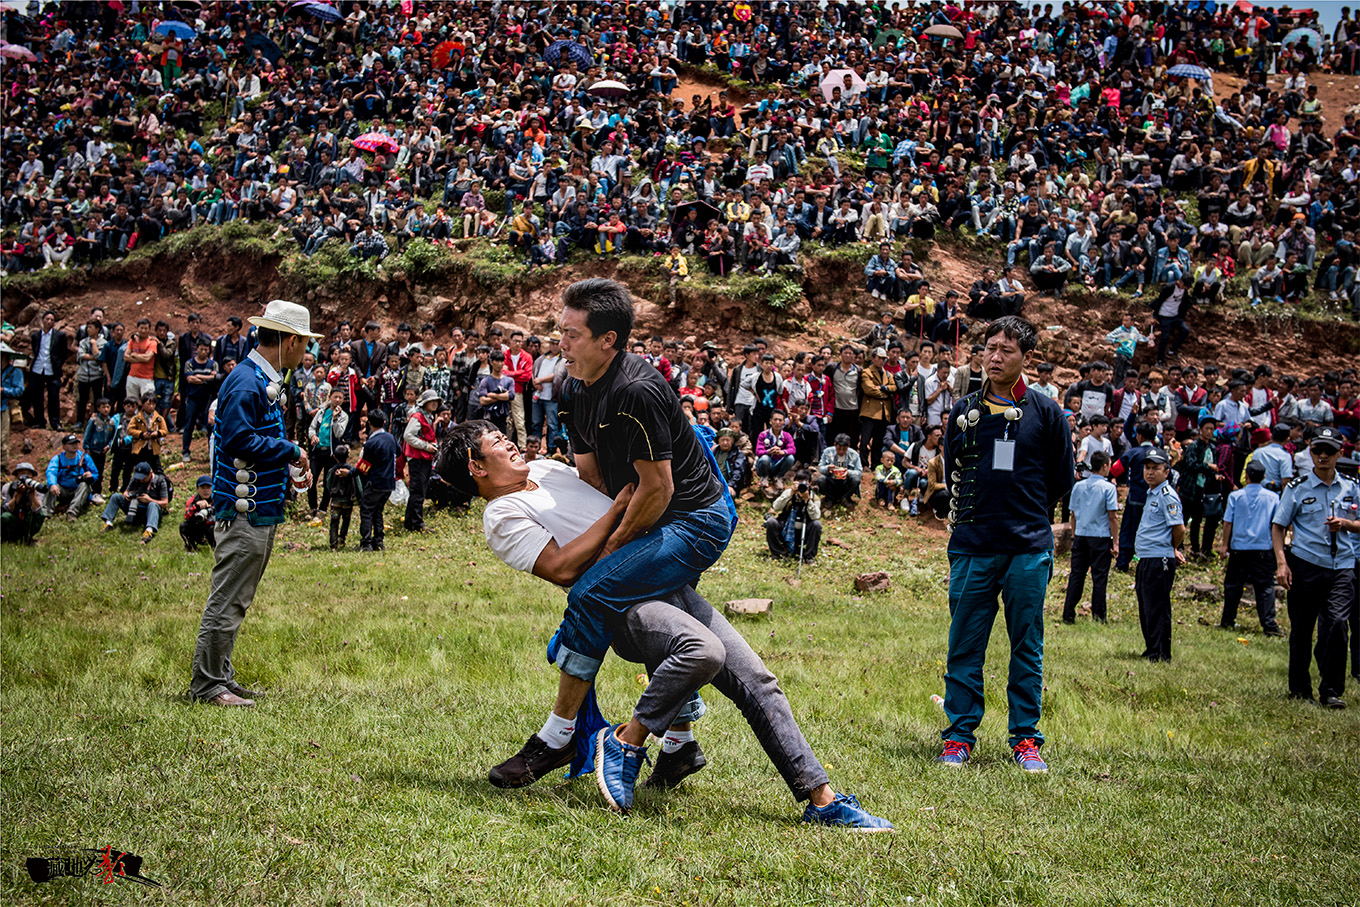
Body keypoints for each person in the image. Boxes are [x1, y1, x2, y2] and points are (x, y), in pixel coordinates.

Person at [438, 420, 889, 830]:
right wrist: (617, 514)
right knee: (702, 651)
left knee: (759, 680)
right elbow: (562, 568)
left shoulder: (546, 469)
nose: (511, 442)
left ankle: (822, 800)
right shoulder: (500, 517)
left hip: (662, 575)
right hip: (622, 604)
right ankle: (625, 741)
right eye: (497, 442)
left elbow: (601, 475)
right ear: (477, 467)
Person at [487, 277, 737, 814]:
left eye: (572, 335)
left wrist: (611, 550)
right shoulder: (572, 386)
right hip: (651, 519)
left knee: (592, 595)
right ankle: (679, 745)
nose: (560, 343)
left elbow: (659, 488)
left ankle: (561, 739)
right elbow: (596, 477)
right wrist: (617, 522)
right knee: (651, 621)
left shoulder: (636, 391)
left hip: (691, 520)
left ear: (610, 341)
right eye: (559, 331)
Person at [938, 316, 1074, 772]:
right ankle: (958, 737)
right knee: (964, 645)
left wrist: (1026, 513)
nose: (995, 357)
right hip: (973, 544)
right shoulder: (962, 412)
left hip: (1028, 548)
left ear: (1026, 358)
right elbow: (955, 465)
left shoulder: (1048, 413)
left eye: (1007, 350)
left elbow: (1060, 478)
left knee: (1027, 645)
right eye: (989, 347)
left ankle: (1026, 739)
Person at [189, 300, 318, 708]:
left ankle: (220, 677)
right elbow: (239, 440)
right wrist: (291, 449)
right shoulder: (246, 382)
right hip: (241, 511)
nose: (305, 353)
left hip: (258, 507)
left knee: (237, 598)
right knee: (227, 599)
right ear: (292, 341)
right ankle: (207, 685)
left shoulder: (257, 377)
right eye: (304, 344)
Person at [1272, 427, 1360, 708]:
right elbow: (1278, 525)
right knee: (1301, 629)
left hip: (1342, 566)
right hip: (1305, 564)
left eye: (1329, 451)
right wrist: (1282, 563)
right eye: (1317, 450)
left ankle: (1331, 689)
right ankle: (1300, 689)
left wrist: (1346, 524)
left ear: (1340, 453)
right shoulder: (1297, 488)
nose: (1323, 455)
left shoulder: (1351, 486)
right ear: (1310, 453)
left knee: (1336, 625)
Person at [1132, 448, 1186, 662]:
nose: (1150, 472)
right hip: (1147, 557)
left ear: (1167, 471)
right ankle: (1151, 647)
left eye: (1155, 468)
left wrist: (1171, 548)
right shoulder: (1152, 493)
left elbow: (1179, 528)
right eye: (1147, 468)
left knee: (1157, 607)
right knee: (1146, 606)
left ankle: (1160, 653)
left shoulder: (1167, 495)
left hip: (1159, 558)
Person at [1217, 460, 1283, 635]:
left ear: (1246, 476)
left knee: (1233, 586)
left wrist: (1224, 545)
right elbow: (1276, 525)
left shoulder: (1236, 496)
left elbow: (1227, 522)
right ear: (1263, 477)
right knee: (1265, 588)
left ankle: (1227, 621)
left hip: (1239, 547)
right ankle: (1269, 625)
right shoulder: (1273, 497)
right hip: (1263, 547)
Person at [1063, 452, 1120, 624]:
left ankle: (1068, 614)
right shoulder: (1108, 488)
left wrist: (1073, 535)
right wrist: (1116, 542)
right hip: (1100, 536)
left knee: (1076, 576)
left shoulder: (1079, 486)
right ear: (1104, 466)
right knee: (1099, 578)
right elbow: (1112, 517)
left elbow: (1072, 514)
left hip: (1081, 535)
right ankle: (1099, 616)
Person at [98, 460, 171, 544]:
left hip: (149, 512)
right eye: (139, 478)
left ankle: (149, 531)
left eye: (144, 478)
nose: (141, 480)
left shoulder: (160, 481)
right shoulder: (136, 479)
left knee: (153, 505)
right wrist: (127, 495)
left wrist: (149, 500)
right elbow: (126, 491)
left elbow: (165, 503)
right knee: (115, 496)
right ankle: (108, 523)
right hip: (134, 507)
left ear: (150, 473)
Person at [357, 410, 399, 552]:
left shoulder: (371, 443)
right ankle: (379, 541)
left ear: (369, 424)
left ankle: (366, 543)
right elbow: (398, 452)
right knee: (378, 511)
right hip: (389, 483)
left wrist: (350, 473)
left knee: (367, 511)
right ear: (385, 423)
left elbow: (364, 466)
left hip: (375, 482)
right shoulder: (391, 438)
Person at [402, 389, 441, 532]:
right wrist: (425, 446)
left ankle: (410, 521)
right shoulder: (417, 417)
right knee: (418, 490)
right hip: (417, 457)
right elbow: (408, 435)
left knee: (418, 490)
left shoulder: (428, 416)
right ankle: (417, 523)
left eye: (436, 401)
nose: (435, 404)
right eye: (432, 401)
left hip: (424, 457)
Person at [766, 469, 821, 561]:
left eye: (804, 482)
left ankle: (809, 557)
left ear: (810, 483)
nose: (801, 484)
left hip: (804, 530)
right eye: (798, 481)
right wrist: (791, 494)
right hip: (785, 528)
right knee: (771, 522)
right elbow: (776, 507)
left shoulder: (814, 498)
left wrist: (808, 500)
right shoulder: (789, 493)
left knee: (816, 525)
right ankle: (777, 554)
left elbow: (816, 516)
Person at [41, 433, 98, 521]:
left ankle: (72, 512)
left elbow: (95, 474)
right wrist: (52, 484)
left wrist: (91, 476)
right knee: (50, 485)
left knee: (85, 485)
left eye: (76, 443)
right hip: (62, 490)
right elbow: (51, 472)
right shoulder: (58, 459)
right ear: (64, 446)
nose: (74, 445)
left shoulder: (84, 458)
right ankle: (46, 514)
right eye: (71, 443)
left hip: (78, 492)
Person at [1, 462, 45, 543]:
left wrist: (32, 493)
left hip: (27, 520)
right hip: (14, 519)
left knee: (40, 515)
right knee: (5, 517)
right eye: (23, 473)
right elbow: (7, 509)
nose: (26, 476)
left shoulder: (36, 488)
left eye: (29, 473)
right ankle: (8, 538)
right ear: (17, 475)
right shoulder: (8, 487)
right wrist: (18, 494)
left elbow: (37, 510)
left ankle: (27, 537)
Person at [327, 445, 361, 550]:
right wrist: (360, 497)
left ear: (334, 456)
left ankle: (333, 543)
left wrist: (331, 493)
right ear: (348, 455)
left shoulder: (332, 470)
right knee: (346, 520)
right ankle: (342, 538)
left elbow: (328, 483)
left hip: (336, 501)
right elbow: (358, 484)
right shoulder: (351, 470)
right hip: (348, 501)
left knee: (334, 521)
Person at [817, 433, 862, 506]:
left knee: (855, 480)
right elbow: (820, 468)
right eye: (839, 448)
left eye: (844, 449)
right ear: (835, 444)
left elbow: (859, 472)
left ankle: (846, 498)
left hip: (846, 482)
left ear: (848, 446)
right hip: (831, 481)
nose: (841, 451)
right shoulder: (827, 452)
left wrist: (849, 472)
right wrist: (827, 468)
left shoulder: (854, 454)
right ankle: (829, 498)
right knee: (821, 480)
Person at [180, 475, 217, 551]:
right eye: (203, 487)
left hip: (212, 527)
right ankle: (191, 547)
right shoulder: (193, 499)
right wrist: (196, 506)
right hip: (198, 527)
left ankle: (214, 547)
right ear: (197, 489)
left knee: (212, 528)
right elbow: (186, 516)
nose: (206, 490)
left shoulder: (216, 499)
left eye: (208, 487)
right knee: (183, 526)